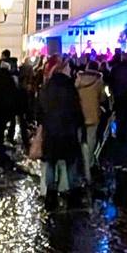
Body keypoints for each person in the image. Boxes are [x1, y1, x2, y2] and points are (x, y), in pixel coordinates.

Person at [37, 59, 84, 205]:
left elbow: (39, 111)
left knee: (51, 163)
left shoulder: (46, 88)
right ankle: (73, 194)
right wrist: (79, 125)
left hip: (51, 132)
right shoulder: (70, 88)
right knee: (71, 163)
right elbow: (77, 110)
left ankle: (51, 195)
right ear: (63, 70)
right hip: (68, 132)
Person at [75, 60, 105, 182]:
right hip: (93, 114)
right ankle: (90, 162)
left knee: (79, 138)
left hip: (79, 114)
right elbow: (102, 97)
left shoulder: (78, 79)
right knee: (91, 138)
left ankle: (80, 160)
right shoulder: (99, 81)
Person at [0, 59, 20, 159]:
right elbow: (14, 94)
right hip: (5, 108)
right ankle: (0, 146)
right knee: (1, 128)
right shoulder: (10, 80)